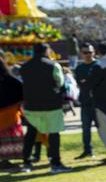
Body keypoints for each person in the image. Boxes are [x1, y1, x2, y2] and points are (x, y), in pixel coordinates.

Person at [18, 44, 70, 173]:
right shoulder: (53, 65)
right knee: (54, 133)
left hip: (31, 106)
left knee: (31, 133)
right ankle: (55, 163)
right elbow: (60, 83)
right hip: (52, 105)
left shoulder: (24, 67)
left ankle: (26, 161)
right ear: (47, 51)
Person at [73, 44, 98, 159]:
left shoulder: (98, 66)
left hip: (99, 103)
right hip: (85, 102)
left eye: (90, 52)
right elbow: (80, 83)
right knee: (85, 128)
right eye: (85, 53)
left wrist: (86, 81)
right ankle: (87, 150)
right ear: (81, 54)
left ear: (94, 53)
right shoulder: (79, 68)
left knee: (103, 128)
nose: (88, 55)